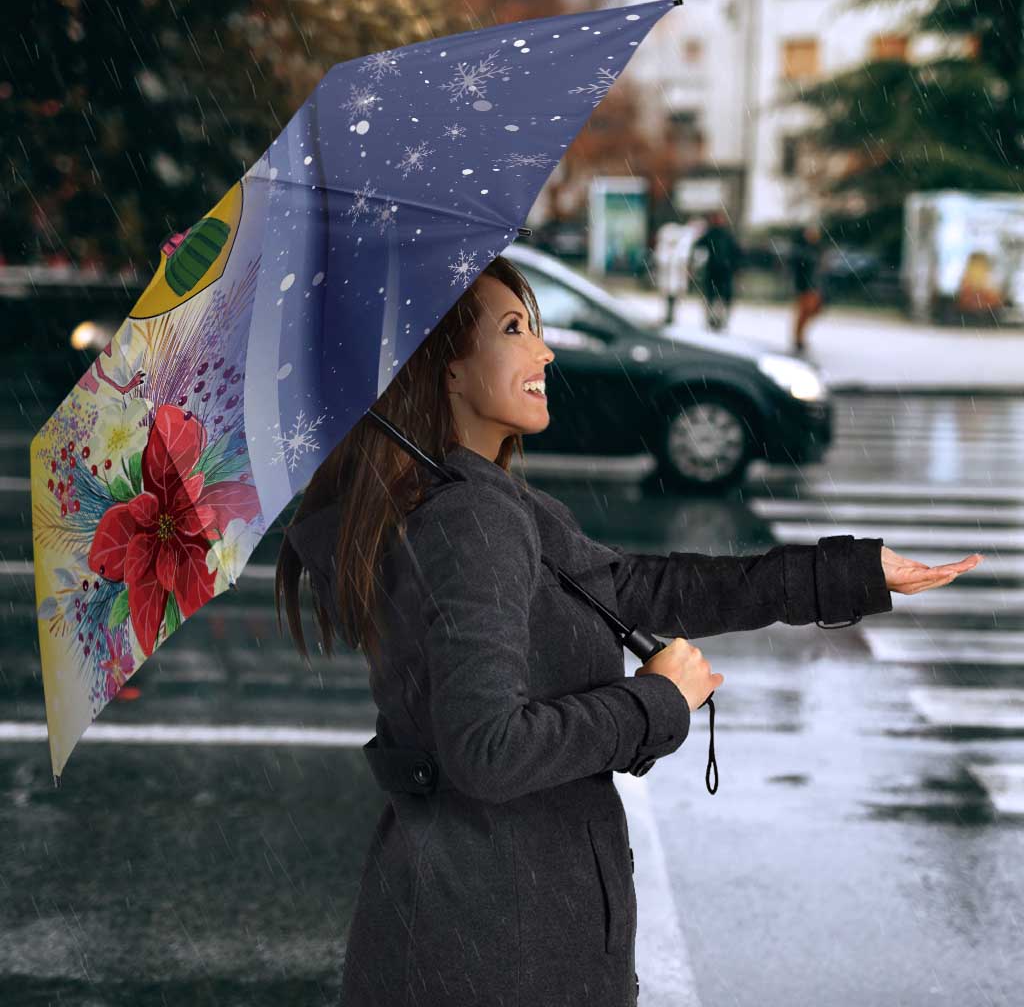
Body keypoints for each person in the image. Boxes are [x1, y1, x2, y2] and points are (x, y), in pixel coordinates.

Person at [275, 254, 982, 1007]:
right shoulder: (469, 519)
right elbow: (487, 751)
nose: (544, 351)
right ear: (445, 369)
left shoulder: (481, 502)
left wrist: (850, 573)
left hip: (481, 927)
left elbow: (643, 588)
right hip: (496, 946)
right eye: (514, 329)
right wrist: (655, 702)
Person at [692, 209, 742, 332]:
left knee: (720, 298)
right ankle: (713, 320)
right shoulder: (712, 234)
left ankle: (719, 320)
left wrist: (735, 267)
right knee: (713, 297)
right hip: (715, 271)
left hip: (723, 271)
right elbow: (698, 247)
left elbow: (736, 253)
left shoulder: (725, 235)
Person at [790, 222, 826, 353]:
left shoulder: (817, 249)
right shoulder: (802, 250)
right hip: (805, 286)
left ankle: (799, 337)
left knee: (812, 311)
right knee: (804, 312)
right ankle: (798, 338)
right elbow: (799, 269)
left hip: (814, 286)